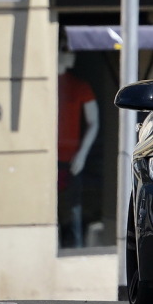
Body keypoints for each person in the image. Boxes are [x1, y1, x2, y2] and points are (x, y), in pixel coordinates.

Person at [58, 50, 99, 248]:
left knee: (73, 208)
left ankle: (75, 248)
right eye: (66, 50)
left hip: (71, 160)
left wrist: (82, 154)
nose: (73, 55)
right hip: (50, 159)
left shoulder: (80, 87)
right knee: (51, 210)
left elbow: (94, 122)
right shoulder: (45, 83)